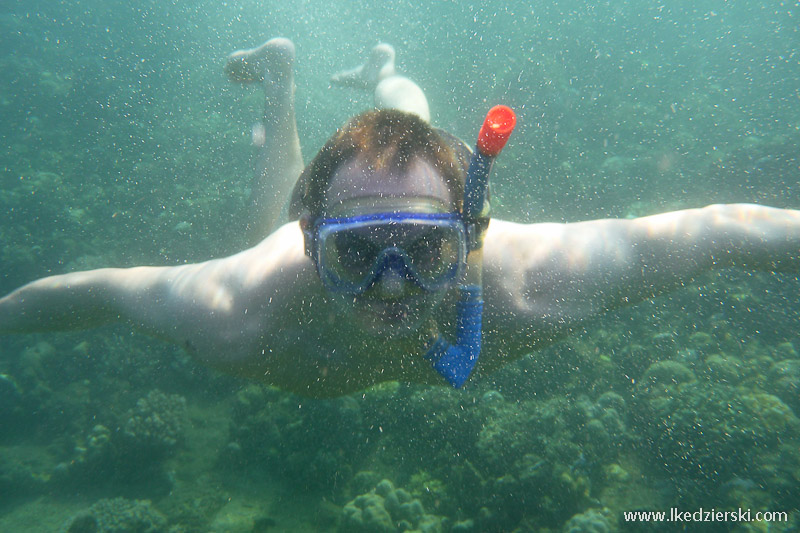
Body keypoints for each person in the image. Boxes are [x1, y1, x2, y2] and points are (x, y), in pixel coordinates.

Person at [1, 38, 798, 397]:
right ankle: (283, 85)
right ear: (310, 241)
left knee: (420, 123)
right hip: (370, 190)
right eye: (356, 257)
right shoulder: (236, 308)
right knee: (267, 218)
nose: (392, 284)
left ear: (470, 231)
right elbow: (102, 290)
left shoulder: (529, 282)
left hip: (433, 168)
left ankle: (385, 72)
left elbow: (724, 229)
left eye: (422, 249)